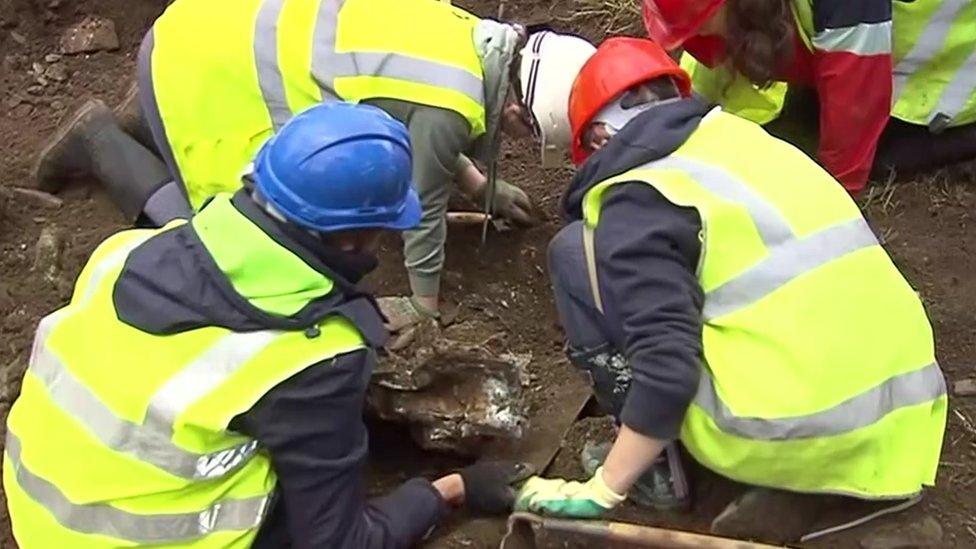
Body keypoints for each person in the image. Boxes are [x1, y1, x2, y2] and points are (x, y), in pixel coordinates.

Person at [4, 102, 529, 548]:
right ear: (354, 237)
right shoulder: (311, 356)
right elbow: (343, 542)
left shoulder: (124, 252)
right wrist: (452, 488)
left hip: (40, 510)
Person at [514, 38, 948, 543]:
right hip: (910, 414)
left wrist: (605, 488)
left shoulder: (638, 196)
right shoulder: (748, 142)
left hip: (788, 425)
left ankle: (663, 474)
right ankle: (822, 487)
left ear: (599, 139)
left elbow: (666, 366)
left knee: (572, 252)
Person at [32, 0, 596, 329]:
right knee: (219, 235)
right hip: (209, 68)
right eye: (526, 128)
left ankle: (149, 111)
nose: (518, 137)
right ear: (522, 103)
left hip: (209, 26)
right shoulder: (449, 104)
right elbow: (424, 202)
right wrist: (425, 303)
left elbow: (424, 125)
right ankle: (100, 139)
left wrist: (480, 188)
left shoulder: (469, 35)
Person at [640, 0, 976, 195]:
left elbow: (855, 103)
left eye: (699, 23)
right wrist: (679, 121)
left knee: (876, 155)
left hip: (954, 70)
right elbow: (720, 58)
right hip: (877, 37)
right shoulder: (736, 11)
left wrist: (833, 196)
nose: (695, 34)